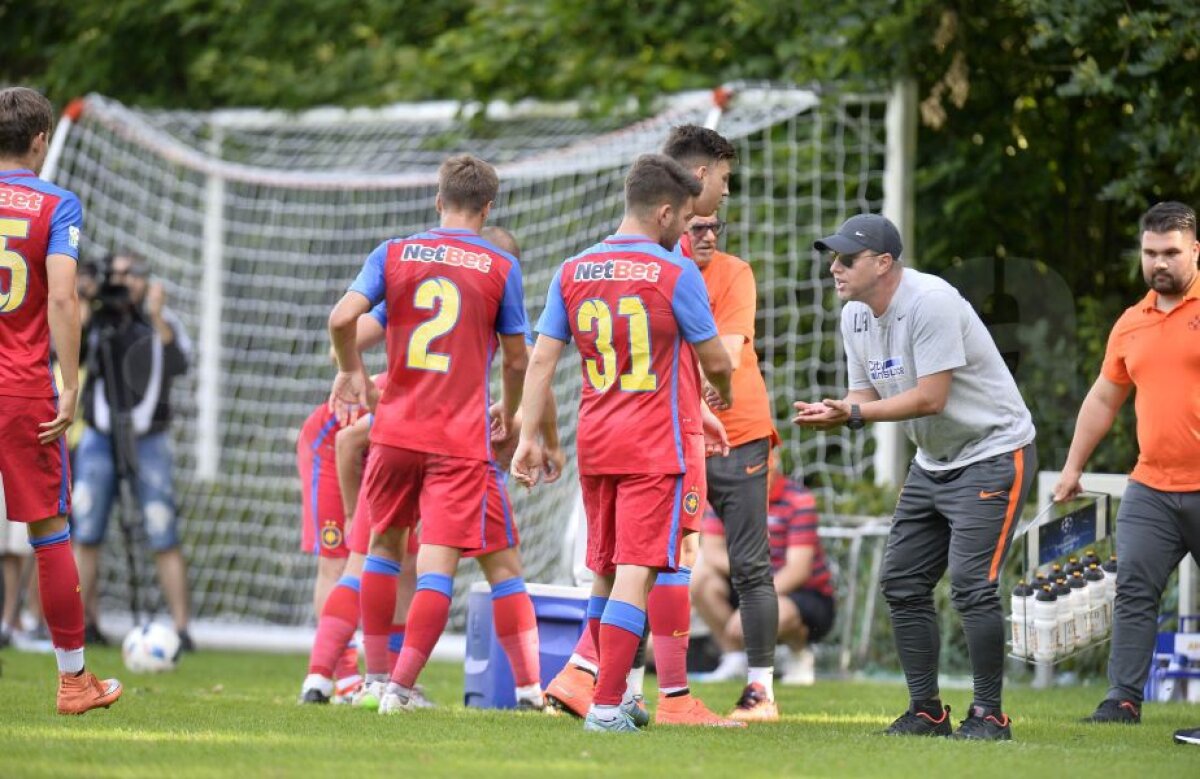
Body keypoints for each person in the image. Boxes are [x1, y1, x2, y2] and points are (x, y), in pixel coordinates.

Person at [512, 153, 735, 733]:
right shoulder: (673, 272)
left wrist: (527, 437)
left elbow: (540, 361)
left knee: (607, 571)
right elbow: (713, 358)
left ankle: (608, 694)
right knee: (639, 570)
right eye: (683, 219)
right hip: (654, 447)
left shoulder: (573, 269)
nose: (685, 230)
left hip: (598, 443)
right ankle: (608, 705)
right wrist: (724, 391)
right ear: (665, 212)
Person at [794, 213, 1037, 741]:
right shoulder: (855, 315)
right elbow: (865, 396)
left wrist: (855, 415)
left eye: (846, 259)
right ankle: (927, 712)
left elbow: (931, 398)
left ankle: (989, 715)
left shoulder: (931, 301)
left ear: (884, 264)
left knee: (972, 586)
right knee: (902, 581)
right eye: (832, 258)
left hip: (993, 450)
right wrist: (837, 408)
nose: (834, 269)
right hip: (933, 461)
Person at [328, 154, 547, 713]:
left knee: (382, 548)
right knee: (440, 568)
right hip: (457, 440)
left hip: (396, 430)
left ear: (437, 199)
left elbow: (341, 319)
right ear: (488, 207)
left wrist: (350, 368)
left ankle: (375, 679)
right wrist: (511, 407)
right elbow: (519, 360)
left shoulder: (395, 251)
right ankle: (400, 690)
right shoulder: (500, 267)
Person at [1052, 201, 1200, 725]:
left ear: (1195, 251)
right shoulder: (1131, 323)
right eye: (1150, 253)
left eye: (1171, 253)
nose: (1160, 263)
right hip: (1151, 487)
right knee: (1134, 590)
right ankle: (1122, 700)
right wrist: (1072, 468)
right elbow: (1102, 399)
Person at [0, 85, 122, 714]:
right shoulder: (58, 203)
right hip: (22, 388)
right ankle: (74, 681)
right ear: (41, 140)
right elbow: (62, 298)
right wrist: (69, 384)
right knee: (50, 533)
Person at [680, 202, 784, 719]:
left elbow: (727, 355)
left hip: (739, 433)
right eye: (697, 226)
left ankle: (761, 690)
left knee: (751, 565)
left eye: (714, 226)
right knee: (651, 564)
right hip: (676, 436)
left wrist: (700, 397)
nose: (709, 234)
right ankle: (640, 689)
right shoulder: (657, 270)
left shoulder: (735, 272)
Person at [72, 251, 193, 649]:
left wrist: (157, 317)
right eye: (116, 274)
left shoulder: (160, 321)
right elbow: (70, 355)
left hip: (149, 439)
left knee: (162, 529)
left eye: (131, 274)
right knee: (86, 530)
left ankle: (181, 627)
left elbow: (180, 363)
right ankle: (80, 625)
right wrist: (85, 308)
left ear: (145, 279)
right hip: (99, 436)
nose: (123, 281)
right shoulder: (98, 320)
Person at [691, 453, 834, 686]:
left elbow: (798, 570)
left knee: (780, 611)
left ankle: (798, 653)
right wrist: (750, 580)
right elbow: (712, 552)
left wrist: (757, 600)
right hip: (748, 580)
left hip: (802, 593)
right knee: (699, 577)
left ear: (774, 461)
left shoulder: (798, 499)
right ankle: (734, 656)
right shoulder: (726, 495)